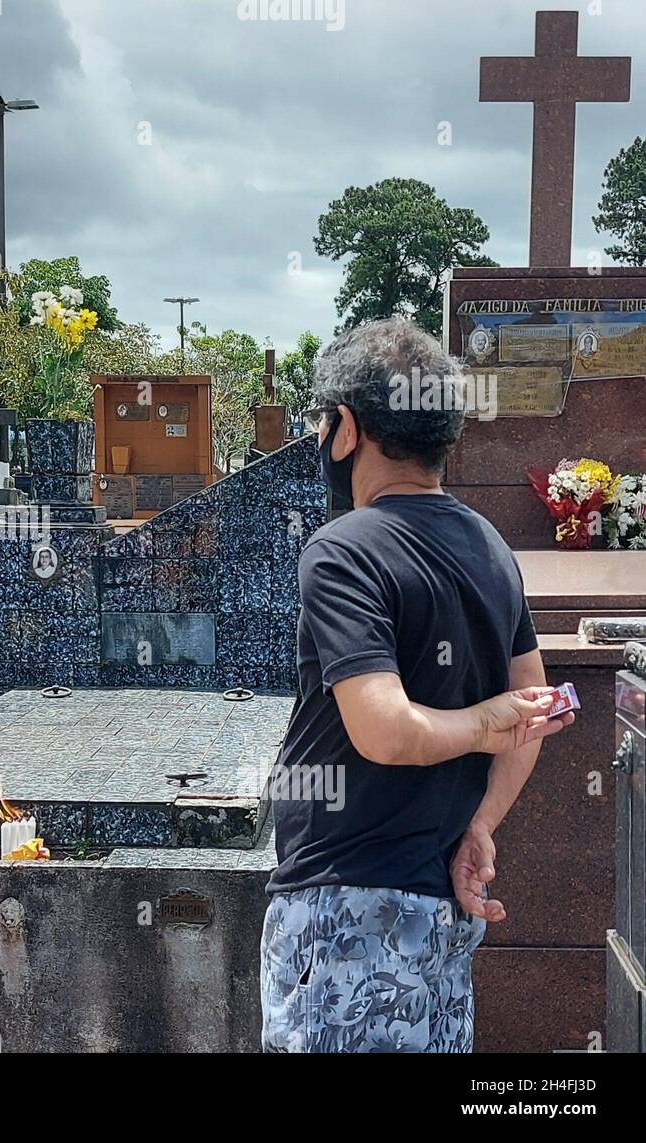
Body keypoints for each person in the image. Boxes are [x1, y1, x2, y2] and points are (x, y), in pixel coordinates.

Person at [261, 318, 575, 1054]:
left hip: (345, 909)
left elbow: (387, 728)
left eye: (320, 422)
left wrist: (482, 722)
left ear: (345, 428)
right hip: (438, 910)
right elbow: (536, 714)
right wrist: (481, 824)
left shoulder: (343, 550)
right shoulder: (490, 546)